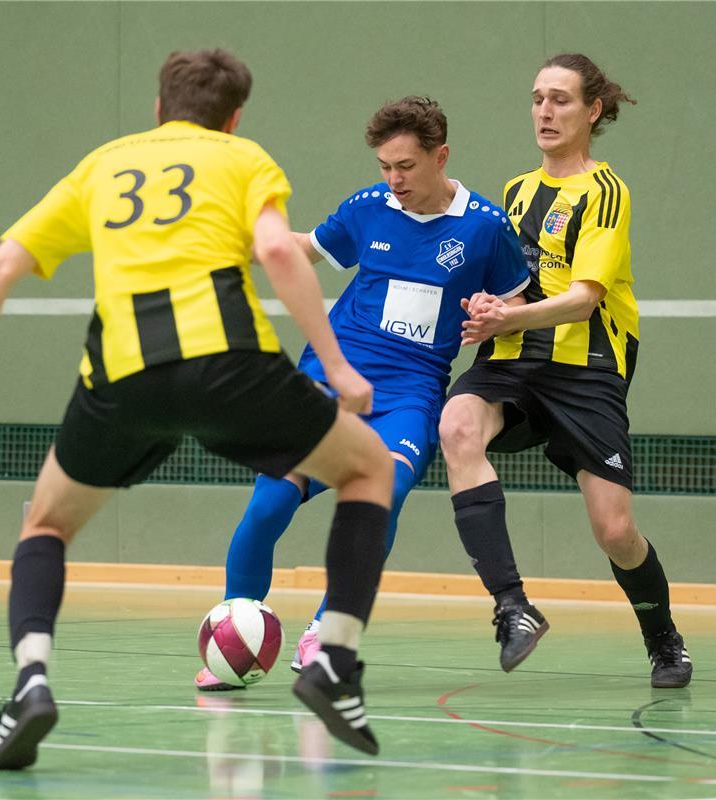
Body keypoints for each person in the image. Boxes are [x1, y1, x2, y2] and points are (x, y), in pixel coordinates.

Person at [0, 48, 396, 766]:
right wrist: (336, 367)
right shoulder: (244, 160)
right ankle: (335, 659)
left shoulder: (104, 166)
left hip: (123, 379)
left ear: (157, 107)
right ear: (234, 118)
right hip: (231, 367)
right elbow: (277, 251)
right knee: (368, 470)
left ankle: (29, 683)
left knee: (45, 524)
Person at [192, 96, 531, 691]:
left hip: (411, 394)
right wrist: (229, 239)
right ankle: (233, 630)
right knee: (270, 503)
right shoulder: (369, 207)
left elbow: (520, 303)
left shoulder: (486, 226)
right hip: (332, 380)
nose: (394, 180)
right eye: (384, 166)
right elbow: (307, 248)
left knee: (384, 495)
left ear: (440, 155)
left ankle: (326, 633)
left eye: (405, 166)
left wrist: (493, 311)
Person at [440, 53, 692, 688]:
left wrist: (507, 317)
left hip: (588, 366)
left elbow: (584, 296)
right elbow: (518, 288)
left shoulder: (606, 191)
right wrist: (490, 304)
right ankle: (513, 606)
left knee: (614, 530)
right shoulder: (518, 191)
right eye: (537, 99)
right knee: (457, 428)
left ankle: (663, 638)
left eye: (560, 100)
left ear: (593, 110)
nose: (545, 112)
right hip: (516, 355)